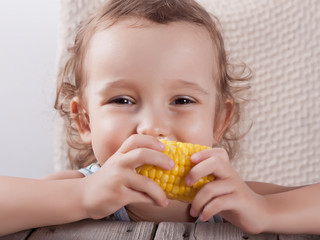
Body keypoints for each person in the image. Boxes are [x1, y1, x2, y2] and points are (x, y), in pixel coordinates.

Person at [0, 0, 319, 236]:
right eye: (122, 100)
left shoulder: (229, 200)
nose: (152, 125)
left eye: (182, 100)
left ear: (219, 121)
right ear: (84, 120)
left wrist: (265, 209)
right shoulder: (78, 189)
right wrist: (82, 197)